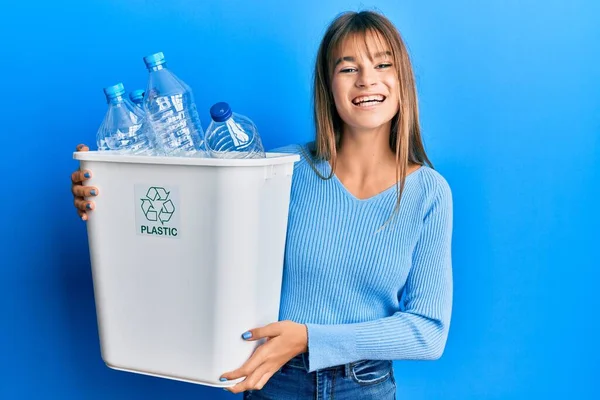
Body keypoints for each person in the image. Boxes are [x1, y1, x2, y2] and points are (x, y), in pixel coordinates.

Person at [71, 10, 453, 400]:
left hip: (365, 387)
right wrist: (108, 190)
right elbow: (189, 223)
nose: (367, 79)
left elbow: (428, 332)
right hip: (275, 381)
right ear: (328, 86)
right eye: (347, 68)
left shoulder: (429, 193)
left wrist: (308, 338)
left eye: (382, 64)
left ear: (402, 78)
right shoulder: (279, 171)